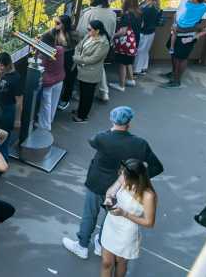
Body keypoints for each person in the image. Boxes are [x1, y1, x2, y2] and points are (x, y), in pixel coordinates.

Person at [62, 106, 163, 260]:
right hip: (121, 187)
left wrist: (112, 130)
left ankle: (82, 245)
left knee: (89, 215)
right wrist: (135, 179)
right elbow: (157, 167)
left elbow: (92, 140)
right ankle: (101, 244)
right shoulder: (140, 144)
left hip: (96, 183)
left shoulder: (103, 138)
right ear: (129, 122)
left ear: (112, 120)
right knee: (109, 217)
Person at [100, 159, 158, 277]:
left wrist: (124, 214)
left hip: (127, 232)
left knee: (120, 263)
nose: (122, 177)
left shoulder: (148, 195)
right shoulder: (124, 175)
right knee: (106, 263)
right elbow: (111, 191)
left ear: (135, 178)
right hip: (111, 224)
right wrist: (109, 198)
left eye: (125, 176)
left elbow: (149, 223)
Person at [162, 0, 206, 88]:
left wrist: (182, 30)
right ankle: (173, 73)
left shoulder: (202, 5)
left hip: (187, 36)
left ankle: (176, 81)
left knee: (181, 58)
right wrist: (174, 24)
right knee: (173, 54)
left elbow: (203, 25)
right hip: (176, 31)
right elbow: (178, 13)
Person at [76, 0, 118, 102]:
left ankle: (81, 94)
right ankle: (104, 92)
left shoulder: (89, 13)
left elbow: (81, 31)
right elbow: (112, 31)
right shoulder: (112, 13)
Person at [71, 20, 111, 123]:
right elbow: (78, 47)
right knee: (83, 93)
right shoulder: (89, 36)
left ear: (97, 31)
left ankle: (82, 116)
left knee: (87, 95)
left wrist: (77, 59)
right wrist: (77, 55)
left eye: (89, 29)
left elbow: (93, 59)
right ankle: (80, 110)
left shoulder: (103, 43)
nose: (87, 31)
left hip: (91, 73)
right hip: (83, 70)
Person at [109, 0, 141, 93]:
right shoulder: (138, 13)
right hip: (134, 41)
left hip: (125, 43)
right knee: (128, 61)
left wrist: (112, 36)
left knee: (122, 63)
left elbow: (122, 32)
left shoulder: (127, 15)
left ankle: (121, 85)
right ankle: (131, 80)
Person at [0, 52, 22, 158]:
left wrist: (17, 120)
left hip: (8, 111)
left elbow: (19, 101)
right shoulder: (0, 73)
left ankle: (3, 161)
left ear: (8, 64)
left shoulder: (16, 78)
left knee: (4, 140)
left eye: (1, 66)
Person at [37, 31, 65, 131]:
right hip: (59, 80)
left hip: (49, 82)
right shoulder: (60, 50)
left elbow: (40, 64)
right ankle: (50, 121)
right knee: (54, 102)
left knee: (46, 105)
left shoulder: (45, 55)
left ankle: (45, 126)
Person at [53, 14, 79, 110]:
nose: (56, 25)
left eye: (58, 23)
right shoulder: (56, 31)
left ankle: (65, 99)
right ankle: (59, 97)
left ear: (64, 24)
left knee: (69, 79)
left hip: (70, 56)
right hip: (60, 55)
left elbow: (79, 47)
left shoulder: (73, 34)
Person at [133, 0, 160, 75]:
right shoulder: (147, 4)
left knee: (140, 51)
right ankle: (143, 68)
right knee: (144, 51)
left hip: (144, 32)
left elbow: (142, 21)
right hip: (150, 32)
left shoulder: (149, 8)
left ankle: (136, 70)